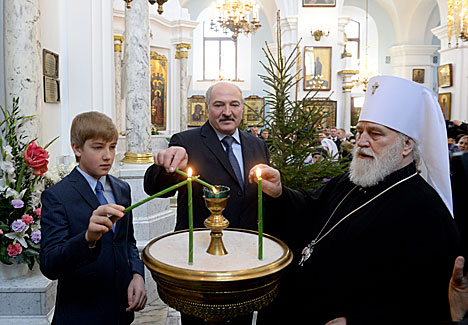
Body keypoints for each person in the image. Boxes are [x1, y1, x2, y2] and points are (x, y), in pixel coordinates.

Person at [252, 76, 459, 324]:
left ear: (406, 146)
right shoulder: (350, 181)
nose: (361, 142)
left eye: (375, 134)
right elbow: (309, 210)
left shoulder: (426, 211)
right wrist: (280, 193)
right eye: (359, 131)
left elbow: (426, 297)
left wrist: (360, 321)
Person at [143, 81, 270, 324]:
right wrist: (166, 168)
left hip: (244, 255)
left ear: (242, 108)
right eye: (219, 105)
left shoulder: (257, 144)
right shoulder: (187, 141)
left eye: (234, 104)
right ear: (206, 108)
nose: (227, 112)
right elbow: (155, 188)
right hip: (200, 258)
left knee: (241, 318)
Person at [40, 112, 147, 324]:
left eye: (112, 147)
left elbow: (128, 242)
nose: (107, 155)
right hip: (81, 313)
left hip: (120, 311)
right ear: (77, 149)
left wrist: (137, 274)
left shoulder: (121, 188)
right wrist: (87, 239)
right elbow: (50, 264)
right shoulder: (58, 196)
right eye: (98, 147)